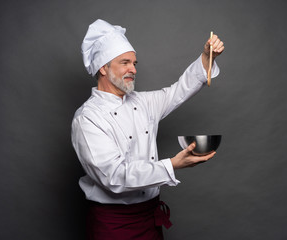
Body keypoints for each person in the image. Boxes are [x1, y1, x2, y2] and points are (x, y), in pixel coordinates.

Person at [71, 19, 224, 240]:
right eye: (125, 62)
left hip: (149, 217)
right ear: (103, 68)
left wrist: (206, 59)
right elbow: (114, 177)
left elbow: (178, 91)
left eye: (134, 63)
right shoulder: (88, 118)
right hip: (114, 224)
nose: (133, 69)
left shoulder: (142, 102)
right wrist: (172, 165)